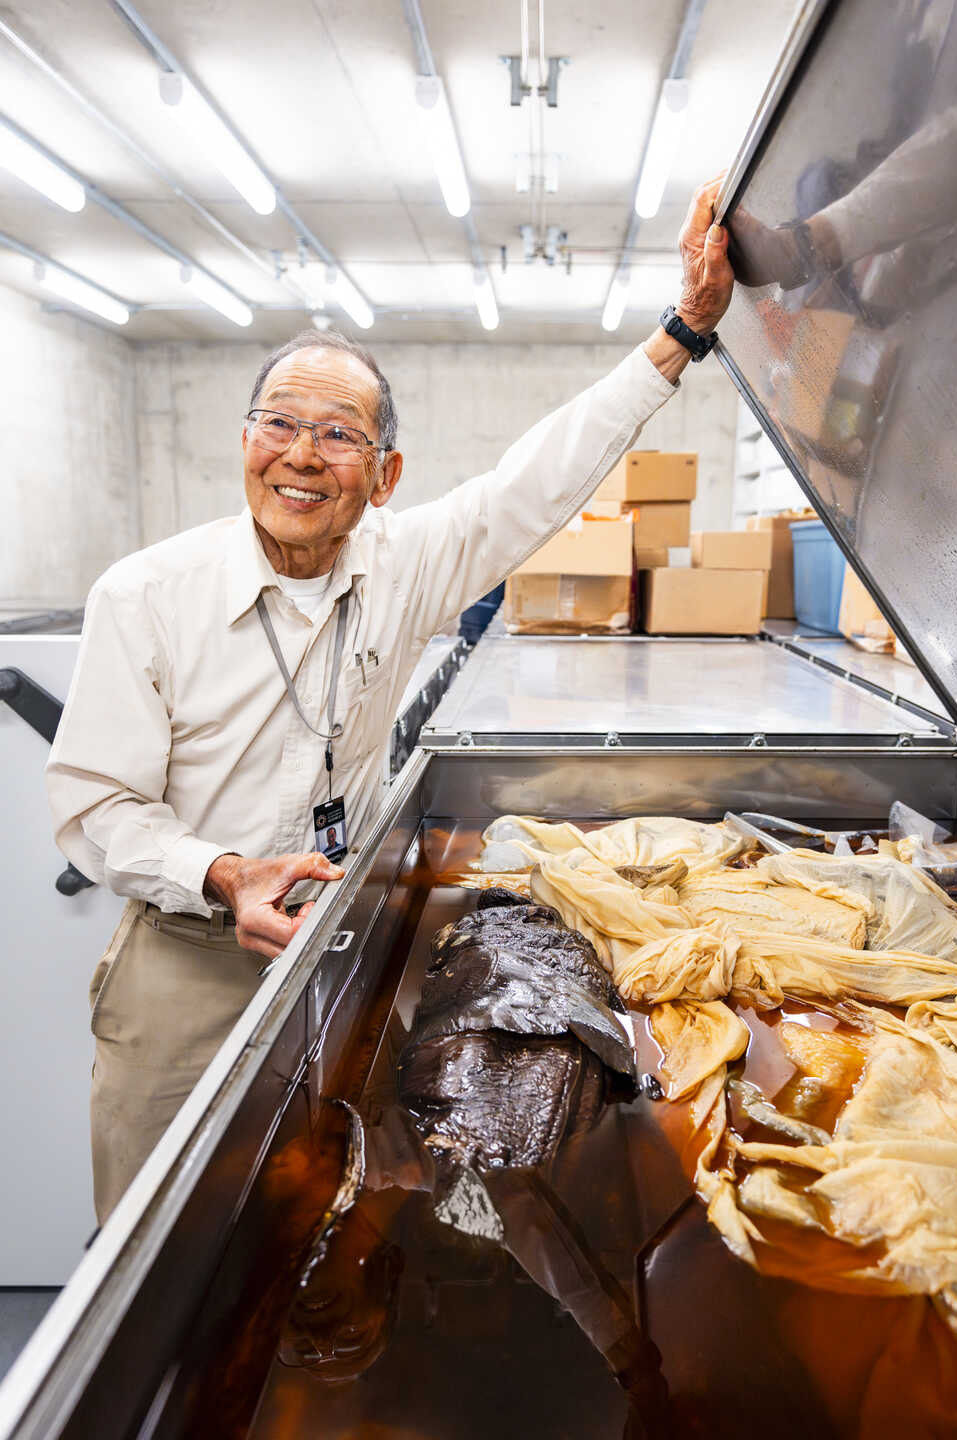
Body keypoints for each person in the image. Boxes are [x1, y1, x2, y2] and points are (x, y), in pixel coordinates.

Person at [46, 178, 735, 1222]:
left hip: (336, 952)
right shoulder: (146, 597)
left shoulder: (405, 566)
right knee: (160, 1243)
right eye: (281, 423)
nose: (303, 454)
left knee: (325, 1221)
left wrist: (682, 331)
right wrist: (225, 874)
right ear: (245, 442)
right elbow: (97, 809)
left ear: (385, 470)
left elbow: (536, 479)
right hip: (185, 968)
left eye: (339, 434)